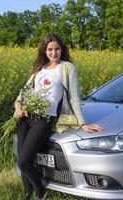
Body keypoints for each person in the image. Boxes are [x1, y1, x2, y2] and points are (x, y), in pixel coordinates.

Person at [13, 33, 104, 200]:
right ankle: (28, 195)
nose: (53, 53)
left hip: (44, 119)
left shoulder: (67, 68)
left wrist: (83, 123)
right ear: (44, 51)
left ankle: (41, 194)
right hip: (25, 119)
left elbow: (74, 98)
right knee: (23, 161)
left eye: (57, 49)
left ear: (61, 49)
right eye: (50, 49)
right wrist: (18, 108)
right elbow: (21, 95)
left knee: (24, 162)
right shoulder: (38, 69)